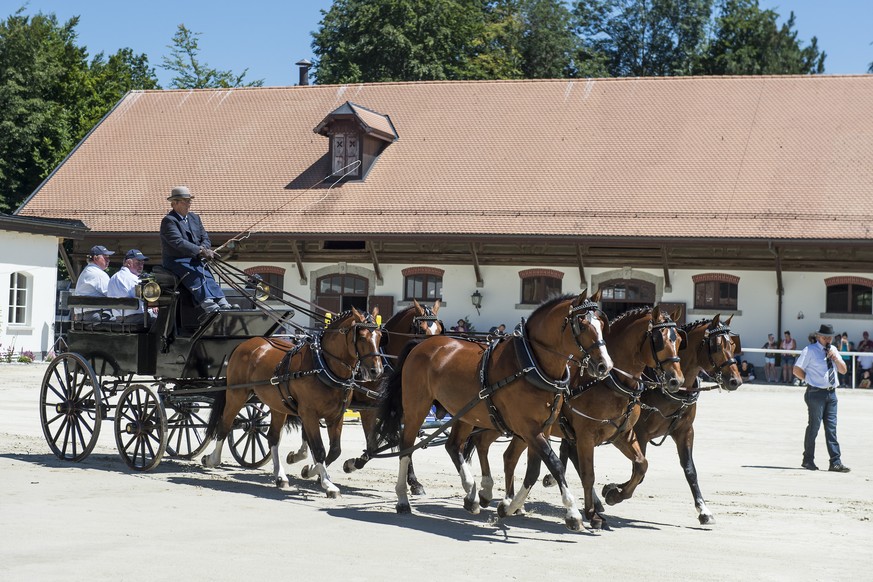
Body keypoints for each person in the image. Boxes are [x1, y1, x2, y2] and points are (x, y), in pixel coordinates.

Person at [159, 186, 237, 315]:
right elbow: (178, 242)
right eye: (186, 201)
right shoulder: (169, 221)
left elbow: (204, 237)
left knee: (207, 274)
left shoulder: (195, 218)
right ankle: (209, 305)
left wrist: (205, 249)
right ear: (175, 203)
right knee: (193, 273)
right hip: (176, 260)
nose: (189, 204)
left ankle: (223, 303)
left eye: (190, 201)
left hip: (195, 258)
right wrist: (200, 251)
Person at [793, 323, 850, 473]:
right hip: (816, 393)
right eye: (825, 337)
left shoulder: (834, 350)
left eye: (830, 337)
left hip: (831, 394)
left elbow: (843, 370)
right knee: (814, 427)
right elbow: (796, 369)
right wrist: (809, 380)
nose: (828, 340)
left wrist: (836, 359)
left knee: (831, 429)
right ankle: (808, 459)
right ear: (818, 337)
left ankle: (835, 462)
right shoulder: (809, 350)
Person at [107, 249, 152, 324]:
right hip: (135, 319)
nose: (141, 266)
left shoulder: (113, 277)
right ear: (128, 263)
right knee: (161, 320)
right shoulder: (133, 279)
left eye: (142, 263)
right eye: (138, 263)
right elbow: (143, 300)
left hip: (118, 319)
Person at [73, 245, 115, 321]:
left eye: (108, 257)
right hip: (94, 317)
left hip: (81, 317)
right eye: (105, 257)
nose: (108, 260)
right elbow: (112, 295)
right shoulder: (98, 274)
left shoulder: (87, 271)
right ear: (96, 258)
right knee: (121, 320)